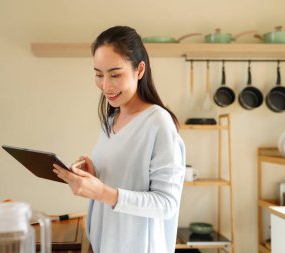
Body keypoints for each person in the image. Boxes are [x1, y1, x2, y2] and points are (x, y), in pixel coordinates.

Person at [53, 25, 186, 253]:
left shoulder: (158, 123)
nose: (106, 85)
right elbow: (123, 179)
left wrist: (101, 192)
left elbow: (166, 204)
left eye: (115, 74)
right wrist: (94, 174)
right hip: (103, 243)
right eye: (98, 74)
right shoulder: (111, 119)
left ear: (139, 70)